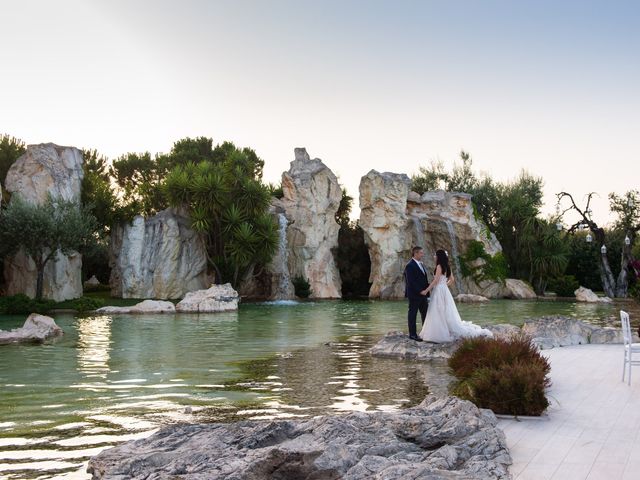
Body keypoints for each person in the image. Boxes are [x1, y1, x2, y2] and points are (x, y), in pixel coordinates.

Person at [419, 249, 493, 343]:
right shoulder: (447, 266)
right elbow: (452, 279)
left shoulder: (439, 266)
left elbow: (436, 281)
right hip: (445, 290)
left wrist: (426, 290)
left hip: (439, 290)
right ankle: (446, 329)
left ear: (439, 257)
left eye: (435, 255)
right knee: (445, 310)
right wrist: (444, 285)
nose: (434, 257)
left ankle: (439, 332)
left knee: (438, 310)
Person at [404, 246, 430, 342]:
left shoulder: (421, 264)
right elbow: (411, 282)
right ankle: (413, 335)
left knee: (425, 314)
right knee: (412, 314)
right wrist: (420, 291)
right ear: (415, 253)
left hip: (423, 294)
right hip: (415, 295)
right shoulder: (409, 265)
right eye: (421, 253)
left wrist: (428, 289)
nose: (422, 254)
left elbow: (423, 279)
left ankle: (425, 333)